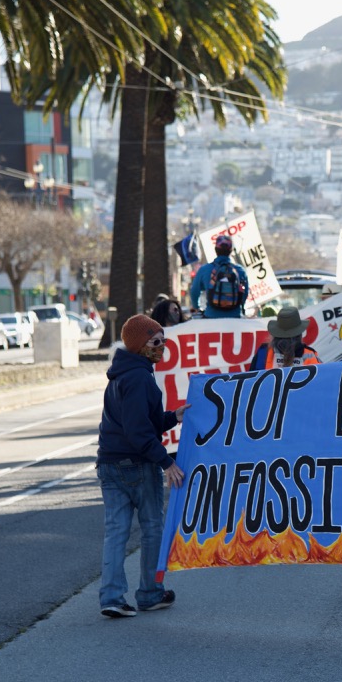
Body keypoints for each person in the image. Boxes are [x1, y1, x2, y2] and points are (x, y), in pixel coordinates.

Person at [95, 314, 189, 618]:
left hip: (109, 462)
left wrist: (172, 417)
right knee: (152, 529)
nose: (161, 347)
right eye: (155, 341)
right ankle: (149, 593)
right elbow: (138, 432)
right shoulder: (139, 378)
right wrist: (166, 462)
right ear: (139, 344)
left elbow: (137, 423)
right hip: (135, 465)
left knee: (116, 532)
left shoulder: (123, 373)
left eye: (163, 340)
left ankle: (110, 596)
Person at [188, 234, 248, 318]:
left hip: (211, 316)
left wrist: (196, 307)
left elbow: (194, 291)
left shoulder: (205, 269)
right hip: (235, 317)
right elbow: (244, 294)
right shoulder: (240, 270)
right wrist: (241, 307)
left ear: (216, 250)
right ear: (231, 251)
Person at [250, 306, 321, 370]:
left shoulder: (263, 352)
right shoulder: (310, 354)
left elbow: (252, 379)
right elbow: (322, 379)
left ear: (276, 332)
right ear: (299, 333)